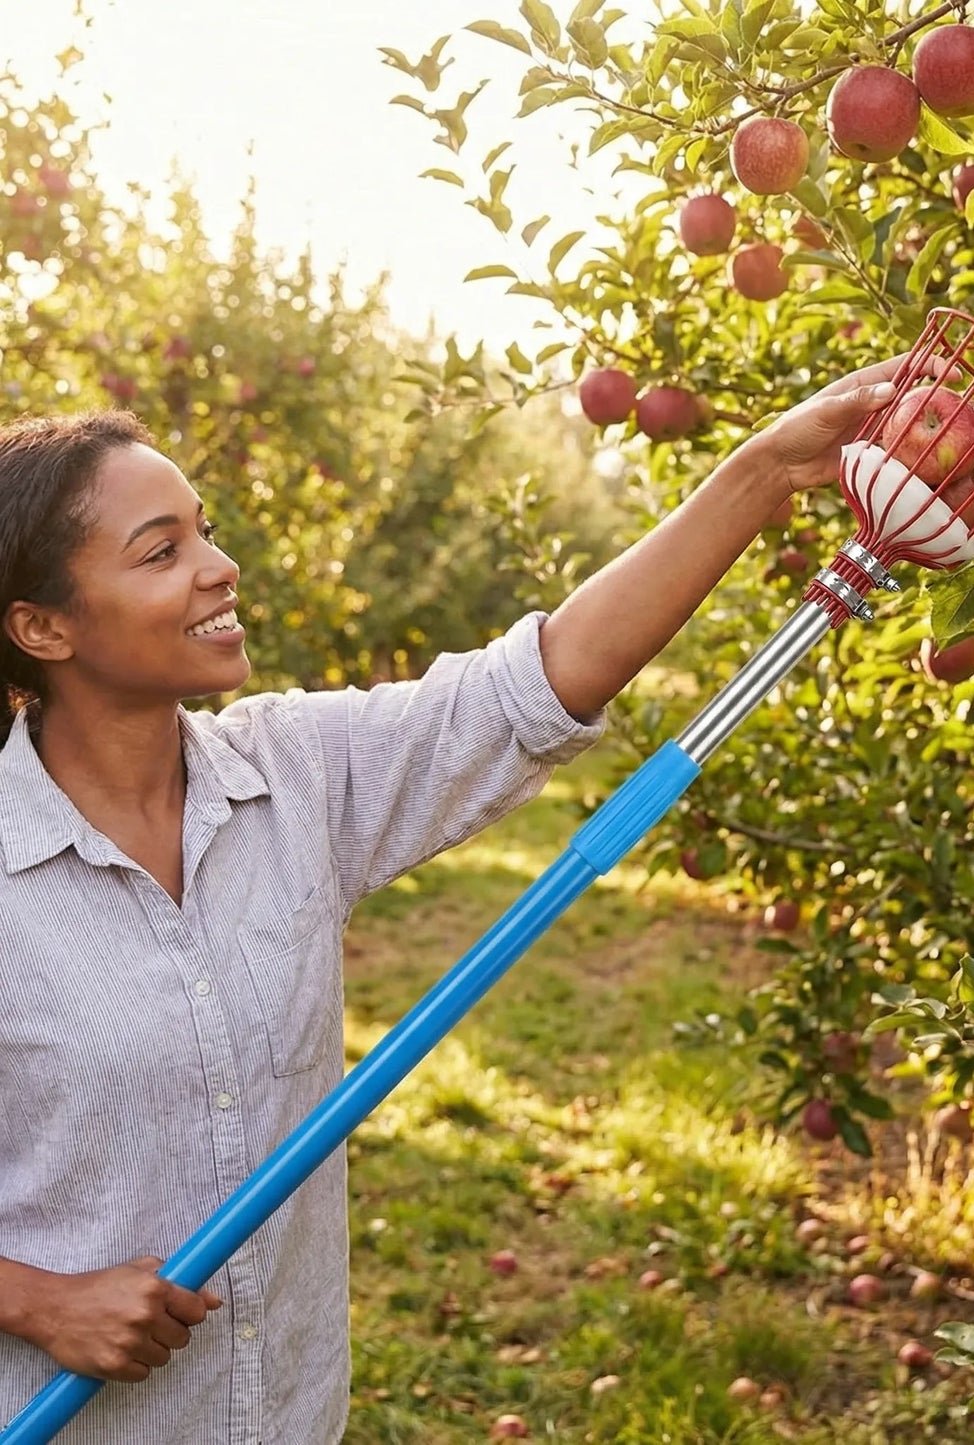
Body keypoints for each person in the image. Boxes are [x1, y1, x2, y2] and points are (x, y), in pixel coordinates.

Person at [0, 357, 902, 1444]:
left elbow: (540, 681)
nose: (221, 566)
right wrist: (37, 1298)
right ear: (42, 627)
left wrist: (758, 471)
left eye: (206, 528)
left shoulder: (293, 779)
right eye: (163, 550)